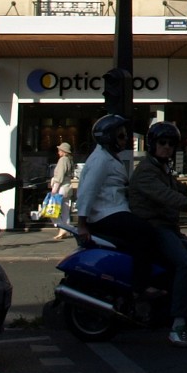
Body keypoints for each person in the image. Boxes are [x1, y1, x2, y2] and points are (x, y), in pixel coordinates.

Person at [128, 121, 187, 346]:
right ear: (152, 145)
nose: (167, 147)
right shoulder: (146, 171)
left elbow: (181, 188)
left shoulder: (162, 168)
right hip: (155, 227)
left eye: (171, 144)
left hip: (168, 227)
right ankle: (177, 326)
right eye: (162, 143)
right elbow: (167, 196)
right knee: (185, 264)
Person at [73, 113, 164, 303]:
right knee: (145, 232)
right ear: (108, 137)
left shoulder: (108, 157)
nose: (125, 140)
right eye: (121, 136)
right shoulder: (101, 160)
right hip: (106, 214)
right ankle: (141, 287)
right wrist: (82, 224)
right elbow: (88, 191)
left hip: (114, 210)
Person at [46, 141, 76, 230]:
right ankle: (66, 228)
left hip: (61, 188)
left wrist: (54, 190)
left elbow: (59, 176)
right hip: (67, 187)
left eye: (59, 150)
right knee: (65, 210)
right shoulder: (69, 160)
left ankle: (60, 226)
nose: (58, 152)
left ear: (63, 151)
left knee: (52, 209)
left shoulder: (62, 160)